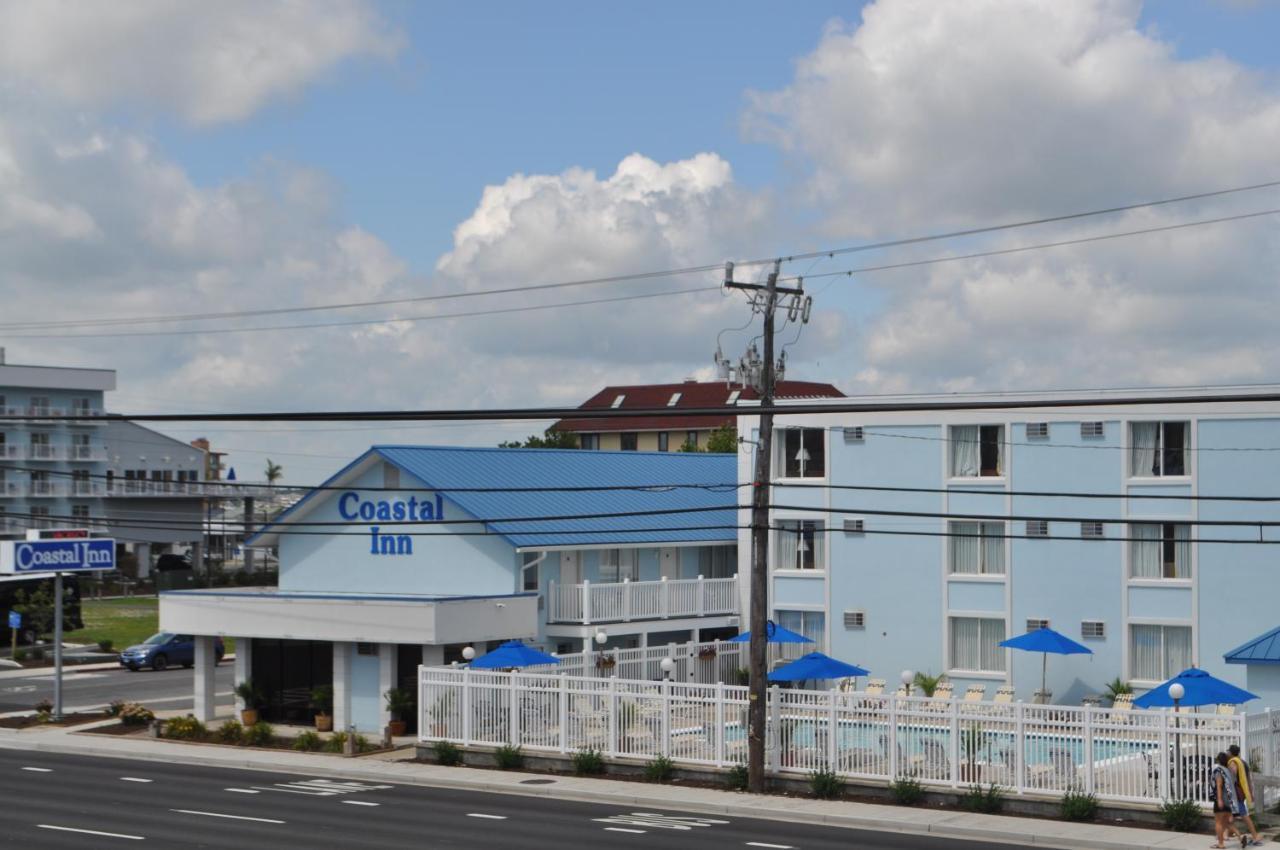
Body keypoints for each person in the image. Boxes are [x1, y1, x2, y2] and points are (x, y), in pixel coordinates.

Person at [1227, 744, 1263, 846]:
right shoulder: (1243, 763)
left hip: (1236, 793)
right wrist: (1250, 792)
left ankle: (1255, 836)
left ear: (1230, 753)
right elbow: (1248, 779)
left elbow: (1231, 778)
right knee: (1231, 814)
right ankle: (1227, 835)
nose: (1227, 753)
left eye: (1228, 752)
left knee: (1244, 815)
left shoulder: (1233, 763)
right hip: (1242, 792)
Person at [1212, 752, 1240, 849]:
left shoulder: (1218, 771)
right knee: (1226, 823)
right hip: (1230, 800)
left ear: (1219, 761)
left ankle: (1221, 844)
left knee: (1218, 823)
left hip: (1222, 799)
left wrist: (1219, 800)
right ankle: (1240, 837)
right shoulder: (1229, 771)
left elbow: (1219, 785)